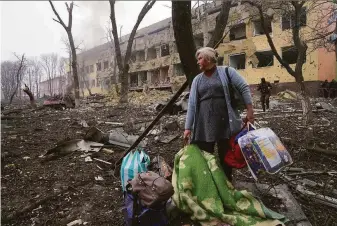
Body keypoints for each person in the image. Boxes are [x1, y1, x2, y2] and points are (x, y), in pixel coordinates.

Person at [183, 47, 254, 181]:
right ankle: (209, 182)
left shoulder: (227, 71)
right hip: (204, 124)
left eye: (200, 58)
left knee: (225, 156)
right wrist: (187, 128)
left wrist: (250, 111)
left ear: (208, 58)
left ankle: (226, 182)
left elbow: (244, 87)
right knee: (204, 156)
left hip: (225, 122)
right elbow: (192, 104)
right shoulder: (197, 79)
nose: (197, 62)